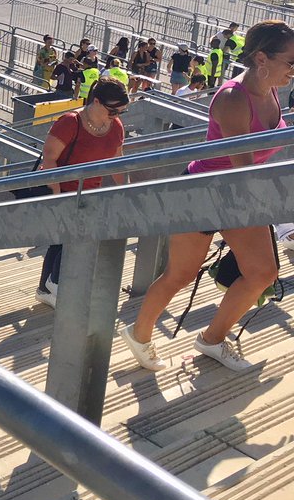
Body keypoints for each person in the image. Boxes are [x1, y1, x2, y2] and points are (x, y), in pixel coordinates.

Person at [121, 21, 294, 373]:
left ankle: (212, 339)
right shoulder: (233, 98)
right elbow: (242, 170)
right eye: (292, 62)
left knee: (263, 273)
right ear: (261, 57)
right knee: (179, 275)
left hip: (239, 195)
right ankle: (139, 335)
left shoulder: (273, 90)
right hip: (204, 193)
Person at [33, 80, 130, 308]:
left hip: (90, 193)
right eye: (112, 110)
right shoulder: (71, 122)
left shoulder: (115, 126)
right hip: (64, 191)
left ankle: (47, 288)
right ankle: (56, 284)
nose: (116, 115)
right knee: (72, 239)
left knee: (62, 242)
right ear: (96, 101)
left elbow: (117, 162)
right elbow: (49, 157)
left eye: (122, 111)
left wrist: (126, 190)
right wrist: (58, 196)